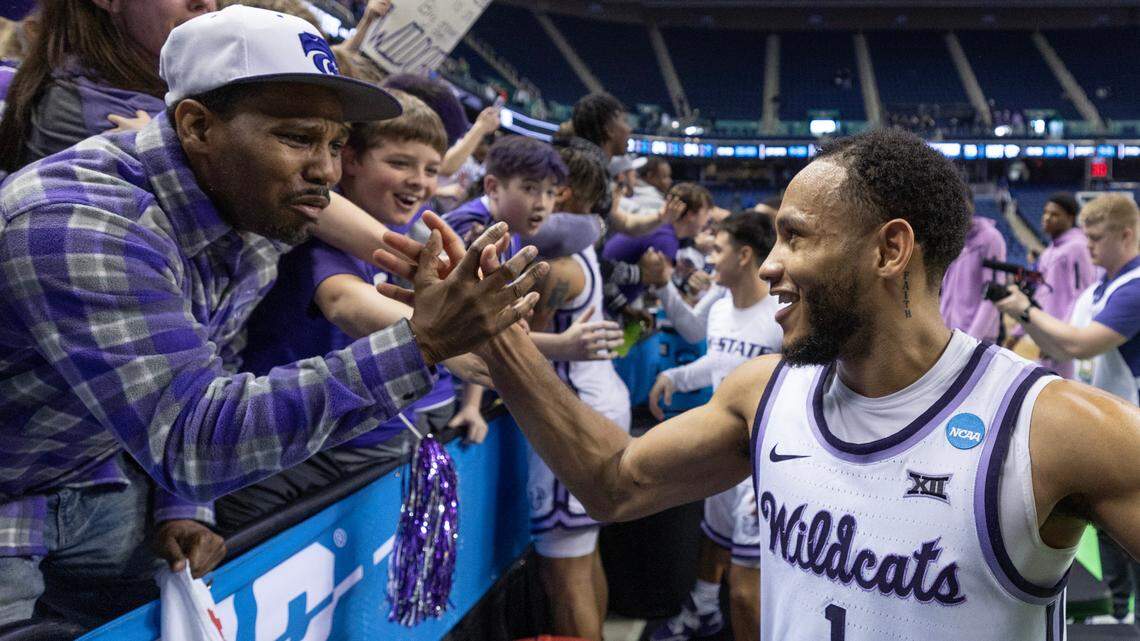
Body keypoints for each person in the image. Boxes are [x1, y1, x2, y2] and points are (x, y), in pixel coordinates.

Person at [377, 127, 1140, 640]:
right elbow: (612, 482)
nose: (768, 263)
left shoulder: (1053, 424)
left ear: (890, 249)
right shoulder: (763, 389)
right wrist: (496, 334)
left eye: (795, 237)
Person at [0, 6, 544, 627]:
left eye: (337, 143)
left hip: (99, 474)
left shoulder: (253, 211)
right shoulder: (81, 221)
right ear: (198, 126)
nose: (328, 171)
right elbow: (195, 438)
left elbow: (211, 364)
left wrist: (185, 505)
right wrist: (419, 343)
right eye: (298, 138)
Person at [214, 90, 490, 534]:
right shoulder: (315, 231)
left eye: (432, 170)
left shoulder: (414, 229)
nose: (419, 181)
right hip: (285, 448)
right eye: (400, 163)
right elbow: (346, 302)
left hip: (376, 440)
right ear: (351, 161)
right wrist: (457, 344)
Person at [994, 193, 1140, 624]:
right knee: (1103, 525)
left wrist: (1027, 309)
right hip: (1100, 422)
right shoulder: (1097, 290)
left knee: (1130, 529)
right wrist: (1024, 316)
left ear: (1126, 234)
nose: (1088, 246)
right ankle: (1118, 614)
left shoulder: (1134, 288)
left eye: (1097, 239)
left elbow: (1082, 343)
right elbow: (1057, 345)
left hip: (1130, 421)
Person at [646, 211, 781, 641]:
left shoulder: (784, 312)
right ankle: (703, 610)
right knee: (713, 539)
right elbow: (719, 363)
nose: (711, 258)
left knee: (745, 592)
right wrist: (675, 377)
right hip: (722, 452)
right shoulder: (720, 307)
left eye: (718, 250)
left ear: (744, 255)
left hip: (764, 462)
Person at [524, 141, 631, 641]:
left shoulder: (556, 265)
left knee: (562, 573)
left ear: (562, 191)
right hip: (600, 401)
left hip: (574, 413)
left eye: (543, 185)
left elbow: (525, 347)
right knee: (584, 559)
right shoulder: (583, 242)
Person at [1006, 192, 1095, 378]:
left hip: (1067, 339)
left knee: (1070, 397)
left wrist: (1060, 341)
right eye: (1045, 212)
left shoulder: (1077, 247)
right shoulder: (1050, 252)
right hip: (1047, 334)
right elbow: (1041, 297)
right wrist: (1018, 332)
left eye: (1054, 214)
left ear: (1070, 218)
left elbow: (1084, 295)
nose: (1047, 217)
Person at [939, 197, 1007, 342]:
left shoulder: (991, 238)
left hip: (977, 339)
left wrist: (972, 339)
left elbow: (993, 294)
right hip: (952, 335)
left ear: (971, 205)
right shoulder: (954, 240)